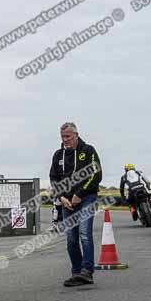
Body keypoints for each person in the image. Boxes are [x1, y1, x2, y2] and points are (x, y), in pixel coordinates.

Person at [49, 122, 102, 287]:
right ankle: (77, 272)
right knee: (71, 238)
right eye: (62, 137)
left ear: (76, 135)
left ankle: (87, 271)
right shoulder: (58, 155)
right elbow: (53, 178)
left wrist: (79, 194)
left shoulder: (88, 150)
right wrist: (61, 197)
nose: (65, 139)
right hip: (66, 201)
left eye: (68, 136)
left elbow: (96, 174)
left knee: (84, 233)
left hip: (86, 197)